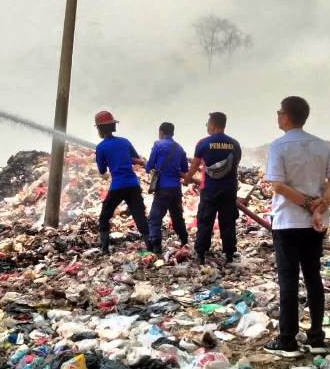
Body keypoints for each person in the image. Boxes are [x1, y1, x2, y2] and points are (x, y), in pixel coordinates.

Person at [262, 96, 330, 357]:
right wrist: (321, 204)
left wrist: (308, 204)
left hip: (288, 222)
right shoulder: (321, 145)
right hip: (316, 224)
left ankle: (287, 341)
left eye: (279, 112)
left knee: (288, 281)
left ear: (286, 116)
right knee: (313, 277)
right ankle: (316, 338)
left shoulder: (278, 147)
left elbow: (278, 185)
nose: (277, 115)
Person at [184, 112, 241, 265]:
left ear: (213, 124)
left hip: (209, 190)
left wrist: (187, 179)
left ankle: (201, 253)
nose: (207, 126)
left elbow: (195, 166)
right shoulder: (234, 144)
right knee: (228, 223)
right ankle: (229, 254)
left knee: (205, 221)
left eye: (208, 124)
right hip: (229, 190)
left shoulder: (203, 143)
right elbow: (235, 164)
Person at [94, 111, 149, 255]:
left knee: (105, 216)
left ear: (99, 129)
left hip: (118, 186)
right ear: (113, 126)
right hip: (133, 184)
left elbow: (101, 170)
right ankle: (151, 245)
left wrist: (108, 160)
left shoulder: (101, 147)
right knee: (139, 215)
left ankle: (104, 249)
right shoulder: (125, 141)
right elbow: (135, 159)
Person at [145, 122, 189, 254]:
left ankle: (156, 246)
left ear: (161, 132)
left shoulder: (158, 144)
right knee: (177, 217)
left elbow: (149, 166)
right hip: (176, 189)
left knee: (155, 217)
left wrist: (147, 164)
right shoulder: (179, 148)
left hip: (163, 188)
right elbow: (185, 169)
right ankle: (185, 240)